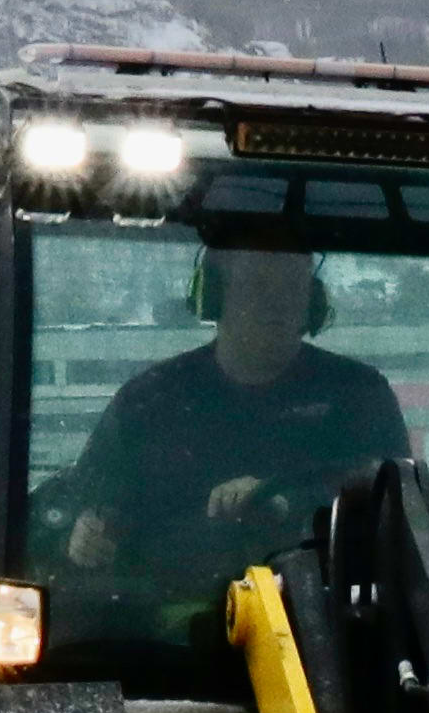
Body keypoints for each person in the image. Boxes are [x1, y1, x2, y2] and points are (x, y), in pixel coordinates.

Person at [45, 243, 409, 603]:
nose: (278, 303)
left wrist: (281, 498)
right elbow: (79, 503)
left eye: (293, 287)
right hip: (168, 633)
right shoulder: (150, 402)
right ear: (213, 296)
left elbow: (398, 501)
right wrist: (79, 535)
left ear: (313, 301)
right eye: (258, 286)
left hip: (327, 621)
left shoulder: (356, 396)